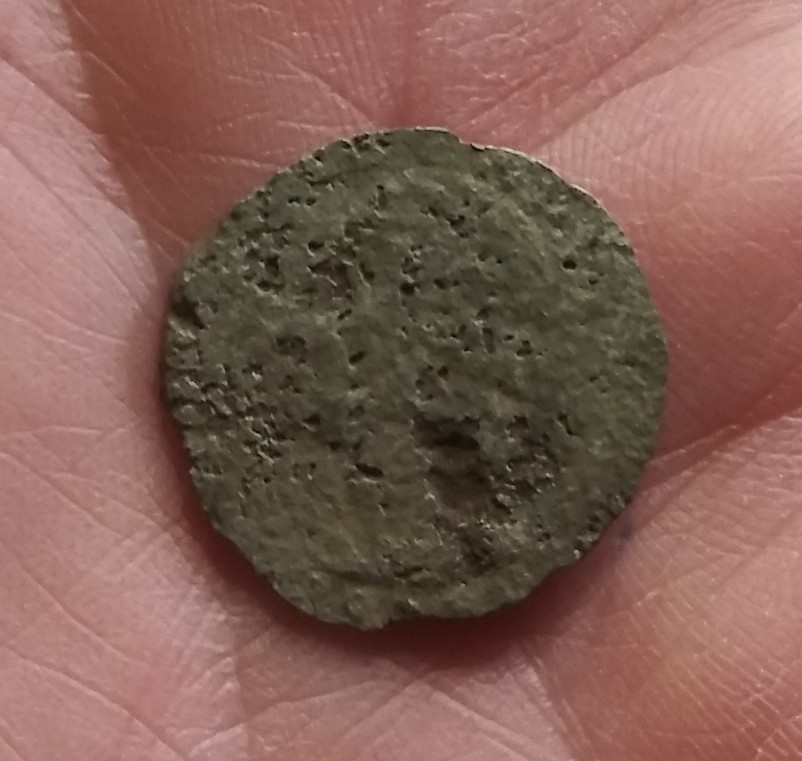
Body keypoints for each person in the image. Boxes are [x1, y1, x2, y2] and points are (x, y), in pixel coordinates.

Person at [2, 1, 801, 759]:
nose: (495, 371)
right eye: (481, 341)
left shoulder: (465, 466)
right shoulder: (337, 403)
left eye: (495, 341)